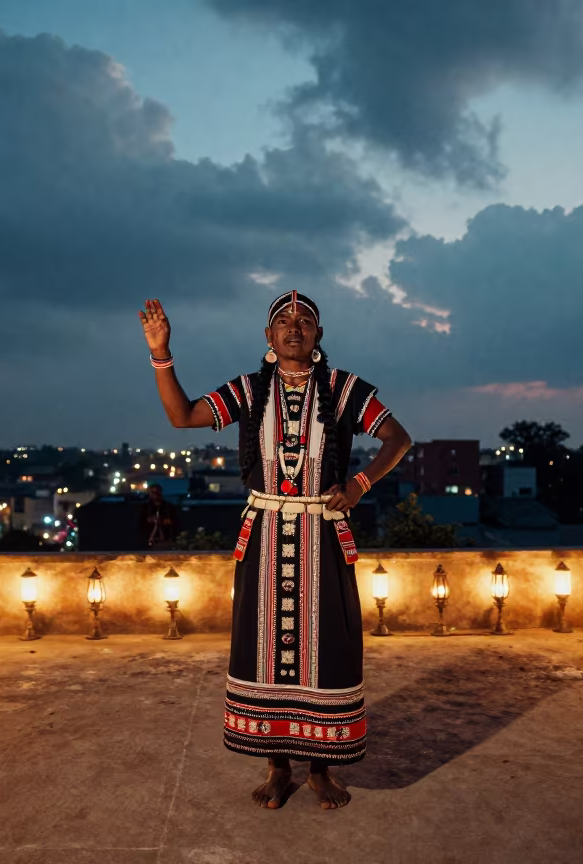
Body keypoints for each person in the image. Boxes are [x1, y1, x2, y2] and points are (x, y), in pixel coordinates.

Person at [138, 292, 412, 810]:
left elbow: (398, 439)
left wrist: (359, 483)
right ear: (268, 337)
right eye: (282, 322)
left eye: (304, 321)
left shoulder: (344, 389)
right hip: (264, 536)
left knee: (326, 647)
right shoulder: (248, 390)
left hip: (322, 534)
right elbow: (182, 416)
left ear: (318, 336)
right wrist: (161, 352)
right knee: (265, 651)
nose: (293, 328)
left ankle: (320, 769)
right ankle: (278, 766)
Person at [140, 483, 178, 548]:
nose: (155, 494)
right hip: (150, 540)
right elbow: (141, 523)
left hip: (166, 539)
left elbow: (175, 521)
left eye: (157, 492)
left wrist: (163, 521)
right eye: (153, 492)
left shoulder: (168, 507)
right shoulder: (145, 508)